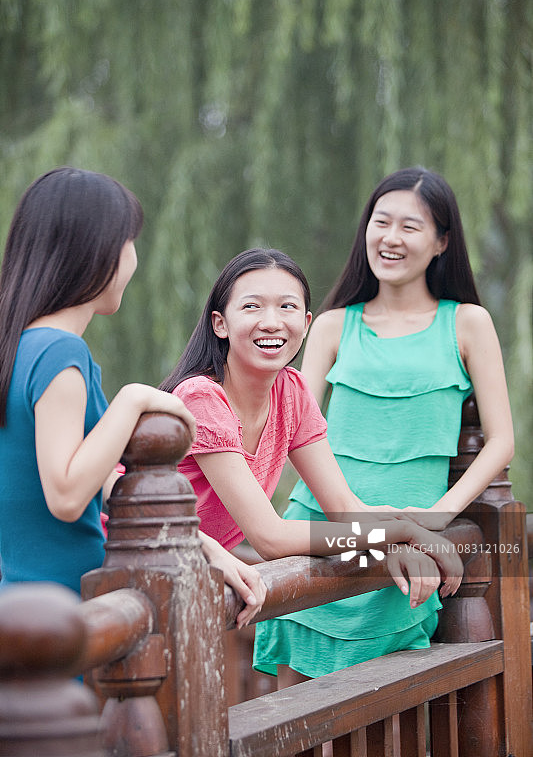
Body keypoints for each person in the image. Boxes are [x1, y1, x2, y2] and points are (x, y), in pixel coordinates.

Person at [253, 167, 514, 686]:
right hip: (326, 529)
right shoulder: (329, 326)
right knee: (294, 719)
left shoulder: (466, 323)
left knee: (388, 713)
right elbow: (295, 434)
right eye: (381, 222)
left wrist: (435, 518)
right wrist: (375, 533)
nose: (391, 238)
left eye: (410, 227)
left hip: (413, 538)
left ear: (442, 242)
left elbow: (502, 442)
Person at [0, 167, 265, 629]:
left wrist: (208, 549)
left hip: (26, 606)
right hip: (70, 609)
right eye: (130, 242)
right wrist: (132, 399)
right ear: (96, 250)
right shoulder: (60, 352)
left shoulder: (18, 347)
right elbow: (65, 494)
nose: (134, 258)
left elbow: (111, 490)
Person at [160, 247, 464, 643]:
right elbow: (269, 538)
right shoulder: (202, 397)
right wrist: (401, 532)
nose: (272, 323)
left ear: (305, 323)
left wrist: (399, 539)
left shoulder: (292, 390)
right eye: (252, 307)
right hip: (124, 551)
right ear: (220, 323)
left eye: (287, 307)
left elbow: (343, 509)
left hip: (185, 566)